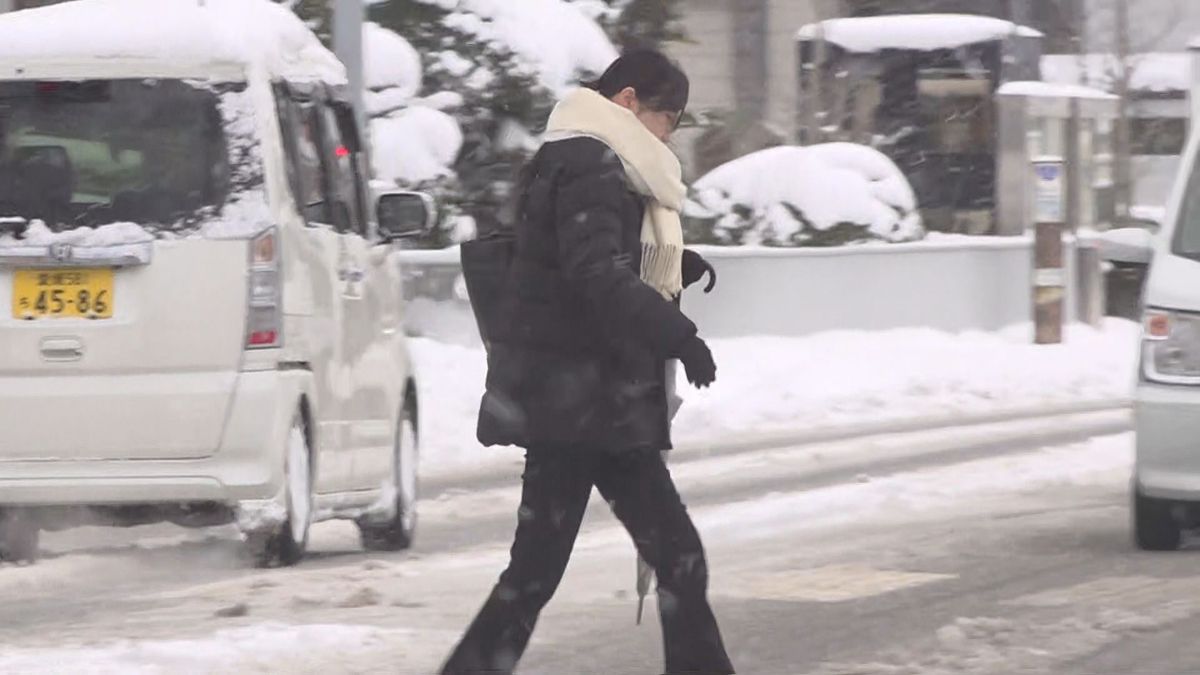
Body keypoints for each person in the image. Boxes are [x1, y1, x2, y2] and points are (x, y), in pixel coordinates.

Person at [442, 50, 734, 675]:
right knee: (555, 573)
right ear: (628, 102)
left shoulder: (582, 157)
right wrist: (678, 335)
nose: (669, 134)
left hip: (591, 403)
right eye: (668, 117)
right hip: (580, 405)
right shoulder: (592, 164)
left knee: (647, 560)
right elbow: (593, 269)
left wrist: (674, 265)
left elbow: (567, 253)